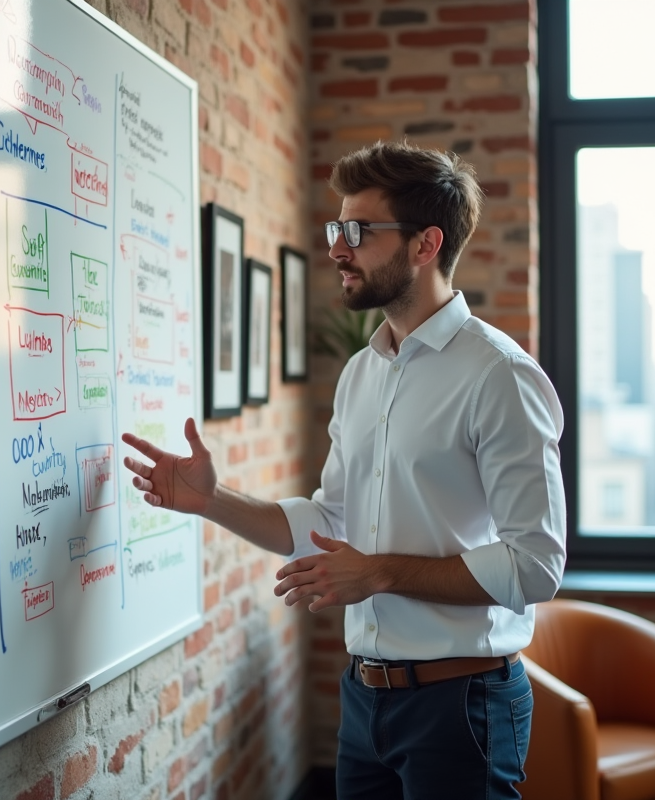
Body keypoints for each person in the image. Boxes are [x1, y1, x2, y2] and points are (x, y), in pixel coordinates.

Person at [121, 140, 566, 800]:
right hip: (365, 702)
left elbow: (536, 565)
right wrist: (212, 501)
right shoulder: (364, 371)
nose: (337, 248)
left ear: (425, 245)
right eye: (337, 228)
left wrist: (380, 570)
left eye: (358, 231)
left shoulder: (499, 375)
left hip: (462, 705)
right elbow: (328, 520)